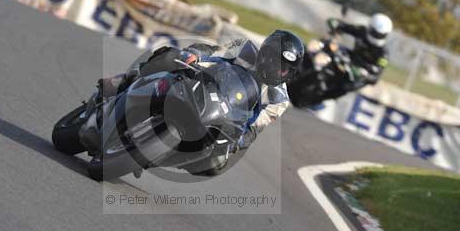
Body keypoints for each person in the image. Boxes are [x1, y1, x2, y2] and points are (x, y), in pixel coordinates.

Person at [96, 30, 304, 172]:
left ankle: (155, 157)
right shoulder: (244, 48)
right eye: (276, 62)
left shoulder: (280, 99)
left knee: (215, 164)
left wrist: (237, 142)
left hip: (222, 116)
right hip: (198, 83)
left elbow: (255, 128)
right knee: (170, 57)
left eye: (284, 69)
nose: (278, 70)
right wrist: (193, 55)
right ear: (266, 53)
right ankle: (126, 80)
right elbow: (211, 51)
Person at [326, 13, 393, 86]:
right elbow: (346, 27)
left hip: (359, 73)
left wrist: (365, 76)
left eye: (380, 35)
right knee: (331, 48)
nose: (377, 36)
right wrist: (336, 23)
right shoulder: (362, 31)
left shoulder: (383, 54)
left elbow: (375, 78)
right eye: (375, 33)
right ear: (370, 27)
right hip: (349, 58)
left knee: (347, 84)